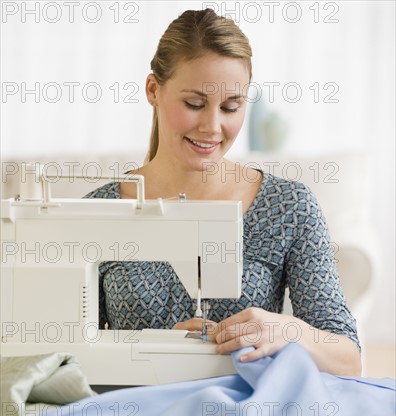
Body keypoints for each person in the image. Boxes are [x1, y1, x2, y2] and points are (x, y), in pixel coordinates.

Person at [84, 8, 361, 377]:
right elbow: (63, 358)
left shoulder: (289, 207)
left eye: (231, 107)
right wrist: (154, 352)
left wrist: (288, 330)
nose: (212, 127)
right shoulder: (97, 213)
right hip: (136, 414)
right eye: (194, 104)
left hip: (247, 415)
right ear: (153, 89)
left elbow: (348, 361)